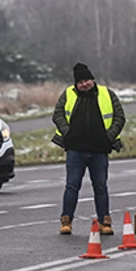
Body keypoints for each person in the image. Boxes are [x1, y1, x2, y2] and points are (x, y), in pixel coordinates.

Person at [52, 62, 125, 235]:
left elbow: (119, 117)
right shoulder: (68, 95)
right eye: (80, 82)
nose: (84, 84)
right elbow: (58, 114)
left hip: (99, 150)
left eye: (87, 80)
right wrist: (68, 133)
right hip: (75, 150)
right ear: (76, 84)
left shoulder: (107, 94)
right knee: (72, 186)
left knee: (100, 187)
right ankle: (66, 221)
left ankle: (104, 222)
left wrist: (108, 137)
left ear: (93, 80)